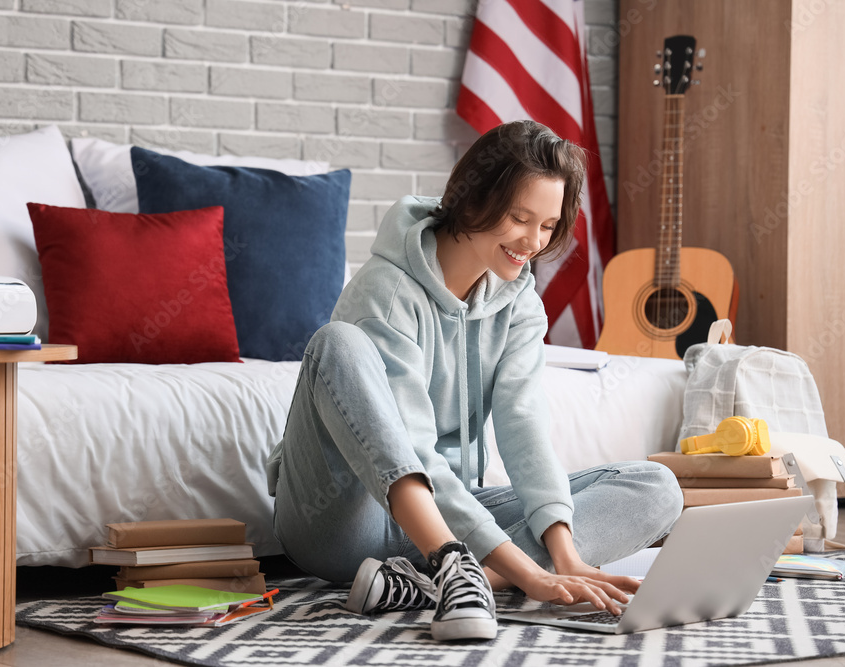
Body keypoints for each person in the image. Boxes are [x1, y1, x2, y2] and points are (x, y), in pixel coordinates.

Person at [266, 120, 683, 641]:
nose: (533, 242)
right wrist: (530, 574)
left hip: (450, 516)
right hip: (343, 521)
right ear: (472, 201)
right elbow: (413, 448)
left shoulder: (520, 303)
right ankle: (462, 570)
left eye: (549, 225)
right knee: (337, 342)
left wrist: (567, 555)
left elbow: (523, 426)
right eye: (519, 218)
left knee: (656, 486)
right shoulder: (387, 292)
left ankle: (438, 584)